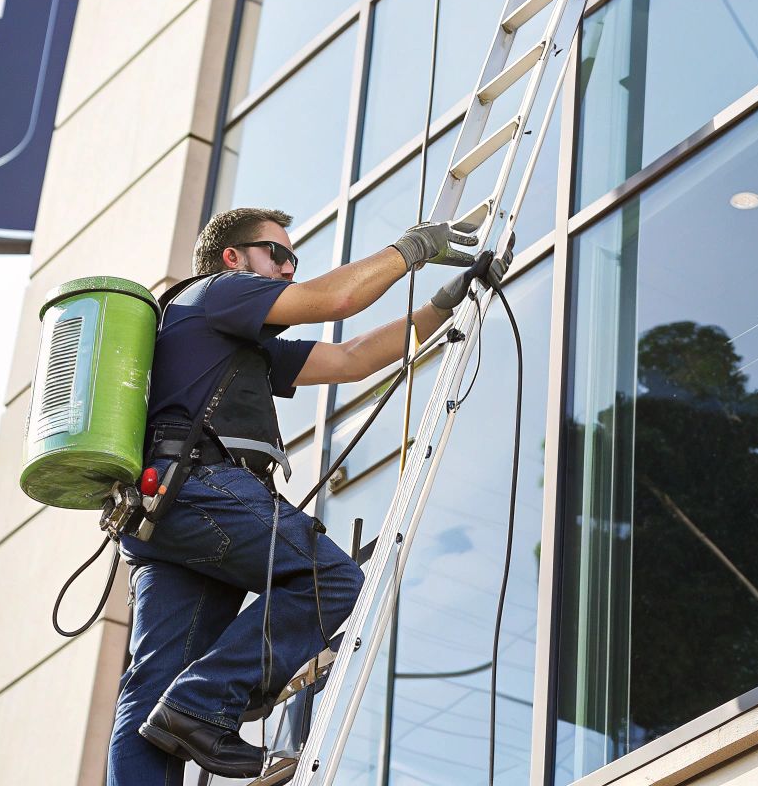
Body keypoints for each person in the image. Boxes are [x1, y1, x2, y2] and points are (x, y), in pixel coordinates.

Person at [106, 205, 495, 783]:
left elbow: (351, 358)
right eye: (279, 254)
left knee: (150, 694)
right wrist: (410, 250)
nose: (290, 269)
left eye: (295, 258)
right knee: (330, 579)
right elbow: (334, 301)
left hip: (163, 514)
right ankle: (202, 704)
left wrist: (442, 305)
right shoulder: (219, 292)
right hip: (204, 489)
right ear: (233, 258)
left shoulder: (235, 341)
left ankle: (191, 707)